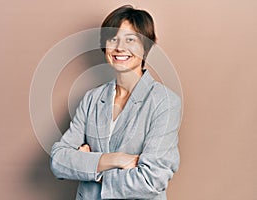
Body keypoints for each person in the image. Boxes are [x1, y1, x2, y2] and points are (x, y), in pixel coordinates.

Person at [50, 5, 181, 200]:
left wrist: (90, 165)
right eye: (113, 39)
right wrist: (117, 159)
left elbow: (151, 180)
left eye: (130, 39)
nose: (120, 47)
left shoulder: (165, 102)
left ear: (146, 46)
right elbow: (58, 161)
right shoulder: (91, 99)